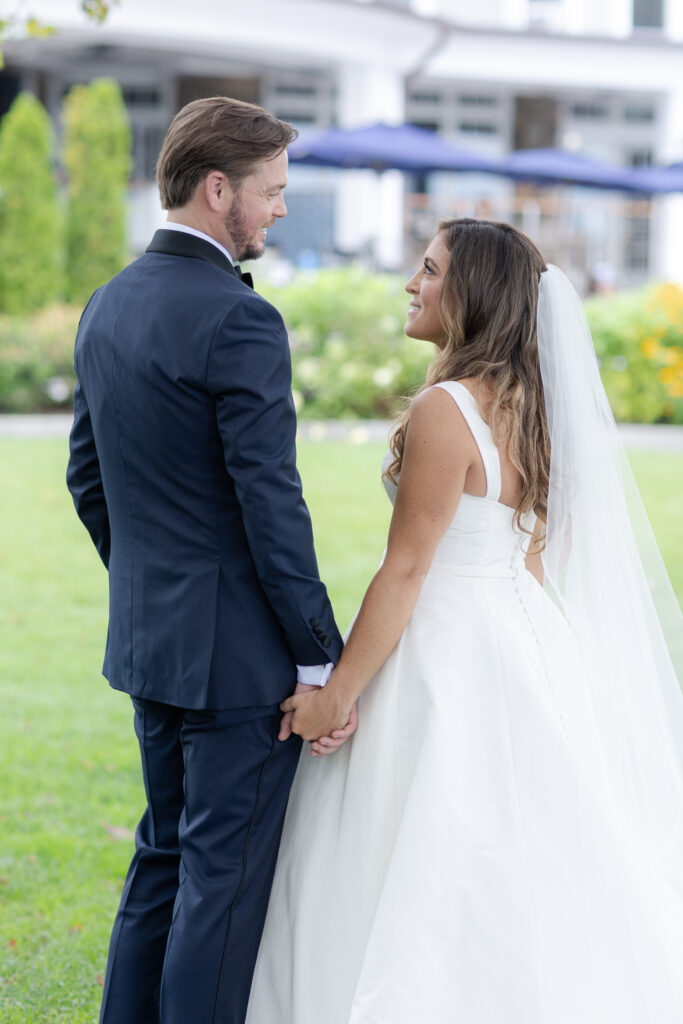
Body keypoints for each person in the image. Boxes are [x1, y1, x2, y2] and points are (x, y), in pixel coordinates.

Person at [246, 218, 683, 1023]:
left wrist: (336, 695)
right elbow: (530, 555)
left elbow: (407, 568)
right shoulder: (536, 407)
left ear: (473, 293)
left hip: (447, 649)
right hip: (527, 639)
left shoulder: (446, 408)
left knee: (423, 845)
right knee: (520, 843)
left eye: (430, 271)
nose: (413, 284)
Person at [66, 96, 356, 1024]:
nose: (279, 209)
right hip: (237, 668)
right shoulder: (241, 320)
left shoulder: (108, 303)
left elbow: (86, 478)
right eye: (270, 192)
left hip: (153, 645)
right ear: (216, 186)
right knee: (219, 889)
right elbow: (273, 505)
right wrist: (321, 655)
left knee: (162, 858)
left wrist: (157, 587)